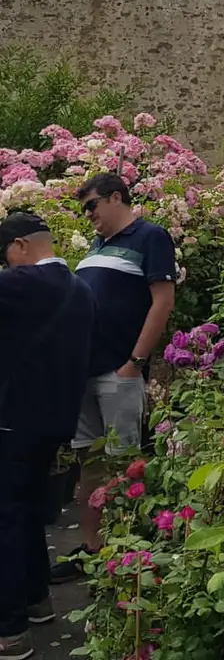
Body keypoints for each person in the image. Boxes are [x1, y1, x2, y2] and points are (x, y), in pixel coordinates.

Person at [51, 174, 177, 582]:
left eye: (92, 206)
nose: (88, 215)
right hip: (84, 371)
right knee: (88, 462)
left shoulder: (149, 236)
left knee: (124, 465)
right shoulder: (97, 245)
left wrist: (135, 362)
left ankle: (127, 554)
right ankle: (92, 550)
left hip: (117, 370)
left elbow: (163, 301)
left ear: (116, 197)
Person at [0, 213, 95, 660]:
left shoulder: (20, 284)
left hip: (11, 419)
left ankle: (10, 630)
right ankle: (37, 599)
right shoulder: (80, 290)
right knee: (27, 513)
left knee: (5, 518)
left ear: (20, 246)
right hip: (55, 422)